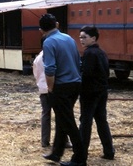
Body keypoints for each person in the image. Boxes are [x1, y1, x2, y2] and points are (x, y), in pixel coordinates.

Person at [39, 14, 86, 166]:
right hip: (75, 84)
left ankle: (80, 158)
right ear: (57, 24)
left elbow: (50, 68)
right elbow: (78, 62)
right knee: (62, 119)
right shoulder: (69, 38)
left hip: (61, 86)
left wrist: (50, 87)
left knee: (68, 122)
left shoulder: (48, 42)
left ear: (41, 30)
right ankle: (56, 153)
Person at [78, 26, 115, 161]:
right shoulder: (102, 52)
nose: (81, 40)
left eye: (84, 37)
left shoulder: (89, 54)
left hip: (89, 93)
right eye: (80, 37)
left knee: (85, 123)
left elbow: (85, 74)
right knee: (101, 121)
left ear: (93, 38)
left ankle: (81, 155)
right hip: (101, 91)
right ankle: (109, 151)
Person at [33, 39, 71, 149]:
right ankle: (65, 140)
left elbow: (36, 74)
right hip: (54, 88)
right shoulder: (54, 56)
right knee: (60, 115)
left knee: (46, 114)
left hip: (43, 90)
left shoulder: (38, 58)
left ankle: (45, 141)